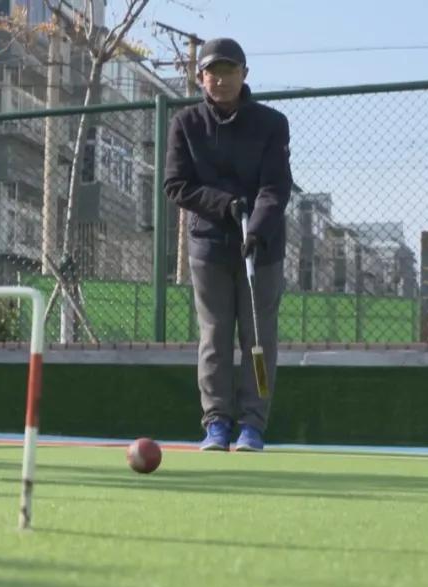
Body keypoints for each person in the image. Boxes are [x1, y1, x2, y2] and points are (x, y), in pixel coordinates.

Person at [163, 38, 293, 452]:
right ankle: (216, 422)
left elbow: (276, 187)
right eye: (211, 72)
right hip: (208, 245)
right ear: (200, 78)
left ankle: (253, 424)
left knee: (258, 337)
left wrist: (255, 228)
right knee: (214, 335)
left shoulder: (272, 124)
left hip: (262, 247)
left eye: (229, 71)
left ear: (244, 75)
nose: (220, 80)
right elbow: (176, 184)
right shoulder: (185, 123)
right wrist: (223, 205)